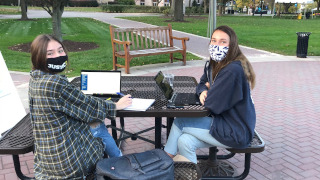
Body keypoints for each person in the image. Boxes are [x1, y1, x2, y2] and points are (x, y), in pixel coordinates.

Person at [29, 34, 132, 179]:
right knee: (97, 124)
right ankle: (120, 164)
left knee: (94, 120)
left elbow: (77, 103)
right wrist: (115, 106)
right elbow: (90, 108)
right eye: (50, 53)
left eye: (60, 50)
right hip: (68, 163)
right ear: (38, 57)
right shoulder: (54, 84)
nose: (58, 56)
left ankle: (118, 159)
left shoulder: (36, 77)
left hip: (48, 157)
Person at [164, 25, 256, 164]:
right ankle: (189, 175)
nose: (216, 45)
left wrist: (210, 91)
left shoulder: (232, 71)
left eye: (223, 42)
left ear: (232, 46)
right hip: (222, 121)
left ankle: (164, 162)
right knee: (184, 141)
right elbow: (201, 83)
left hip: (236, 130)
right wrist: (203, 91)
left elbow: (212, 104)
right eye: (213, 40)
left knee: (180, 122)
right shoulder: (215, 63)